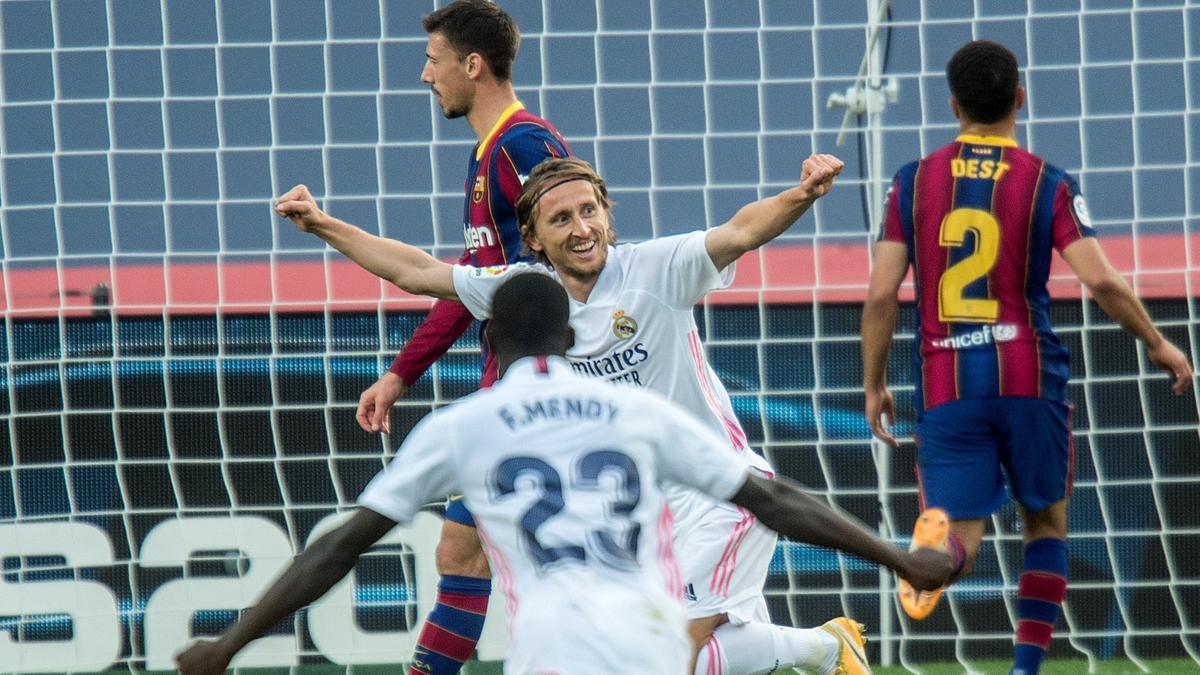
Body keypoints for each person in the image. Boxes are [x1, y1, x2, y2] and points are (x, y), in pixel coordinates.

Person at [274, 153, 883, 675]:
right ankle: (823, 649)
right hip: (651, 512)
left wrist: (801, 195)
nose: (581, 227)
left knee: (666, 654)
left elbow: (739, 232)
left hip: (721, 493)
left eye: (590, 211)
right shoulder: (527, 293)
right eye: (561, 218)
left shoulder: (656, 268)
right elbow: (414, 271)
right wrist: (324, 224)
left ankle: (821, 650)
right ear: (535, 238)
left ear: (607, 215)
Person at [176, 274, 955, 675]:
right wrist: (902, 556)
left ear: (493, 342)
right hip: (652, 644)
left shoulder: (463, 427)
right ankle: (819, 649)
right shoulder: (633, 415)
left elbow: (340, 546)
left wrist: (231, 640)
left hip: (554, 647)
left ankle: (815, 651)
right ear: (569, 333)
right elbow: (776, 498)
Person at [860, 40, 1195, 675]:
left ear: (953, 105)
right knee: (1044, 524)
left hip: (946, 383)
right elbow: (1101, 283)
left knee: (963, 540)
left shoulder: (912, 181)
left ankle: (933, 559)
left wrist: (873, 384)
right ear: (1020, 97)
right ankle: (1025, 669)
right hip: (1028, 377)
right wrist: (1157, 341)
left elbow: (881, 296)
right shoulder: (1048, 182)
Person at [360, 3, 571, 673]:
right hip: (508, 391)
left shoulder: (523, 145)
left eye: (434, 60)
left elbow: (578, 262)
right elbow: (474, 285)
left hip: (537, 396)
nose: (426, 76)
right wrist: (401, 374)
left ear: (472, 65)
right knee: (467, 552)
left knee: (498, 561)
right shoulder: (491, 150)